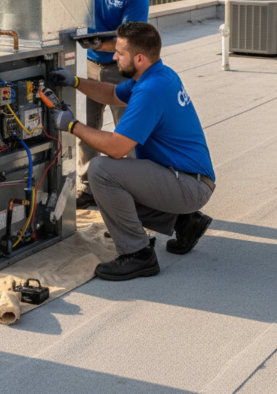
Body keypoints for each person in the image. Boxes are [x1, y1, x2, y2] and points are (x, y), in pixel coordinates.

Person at [49, 22, 215, 281]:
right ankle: (184, 223)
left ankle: (137, 254)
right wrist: (76, 82)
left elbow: (116, 148)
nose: (114, 57)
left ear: (139, 58)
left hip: (188, 185)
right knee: (117, 186)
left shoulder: (151, 91)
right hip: (187, 178)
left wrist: (71, 125)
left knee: (102, 171)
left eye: (120, 53)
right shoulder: (158, 74)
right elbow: (113, 93)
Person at [76, 0, 149, 209]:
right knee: (86, 129)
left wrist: (97, 44)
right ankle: (87, 187)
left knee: (125, 134)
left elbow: (129, 41)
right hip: (89, 66)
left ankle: (132, 194)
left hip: (120, 70)